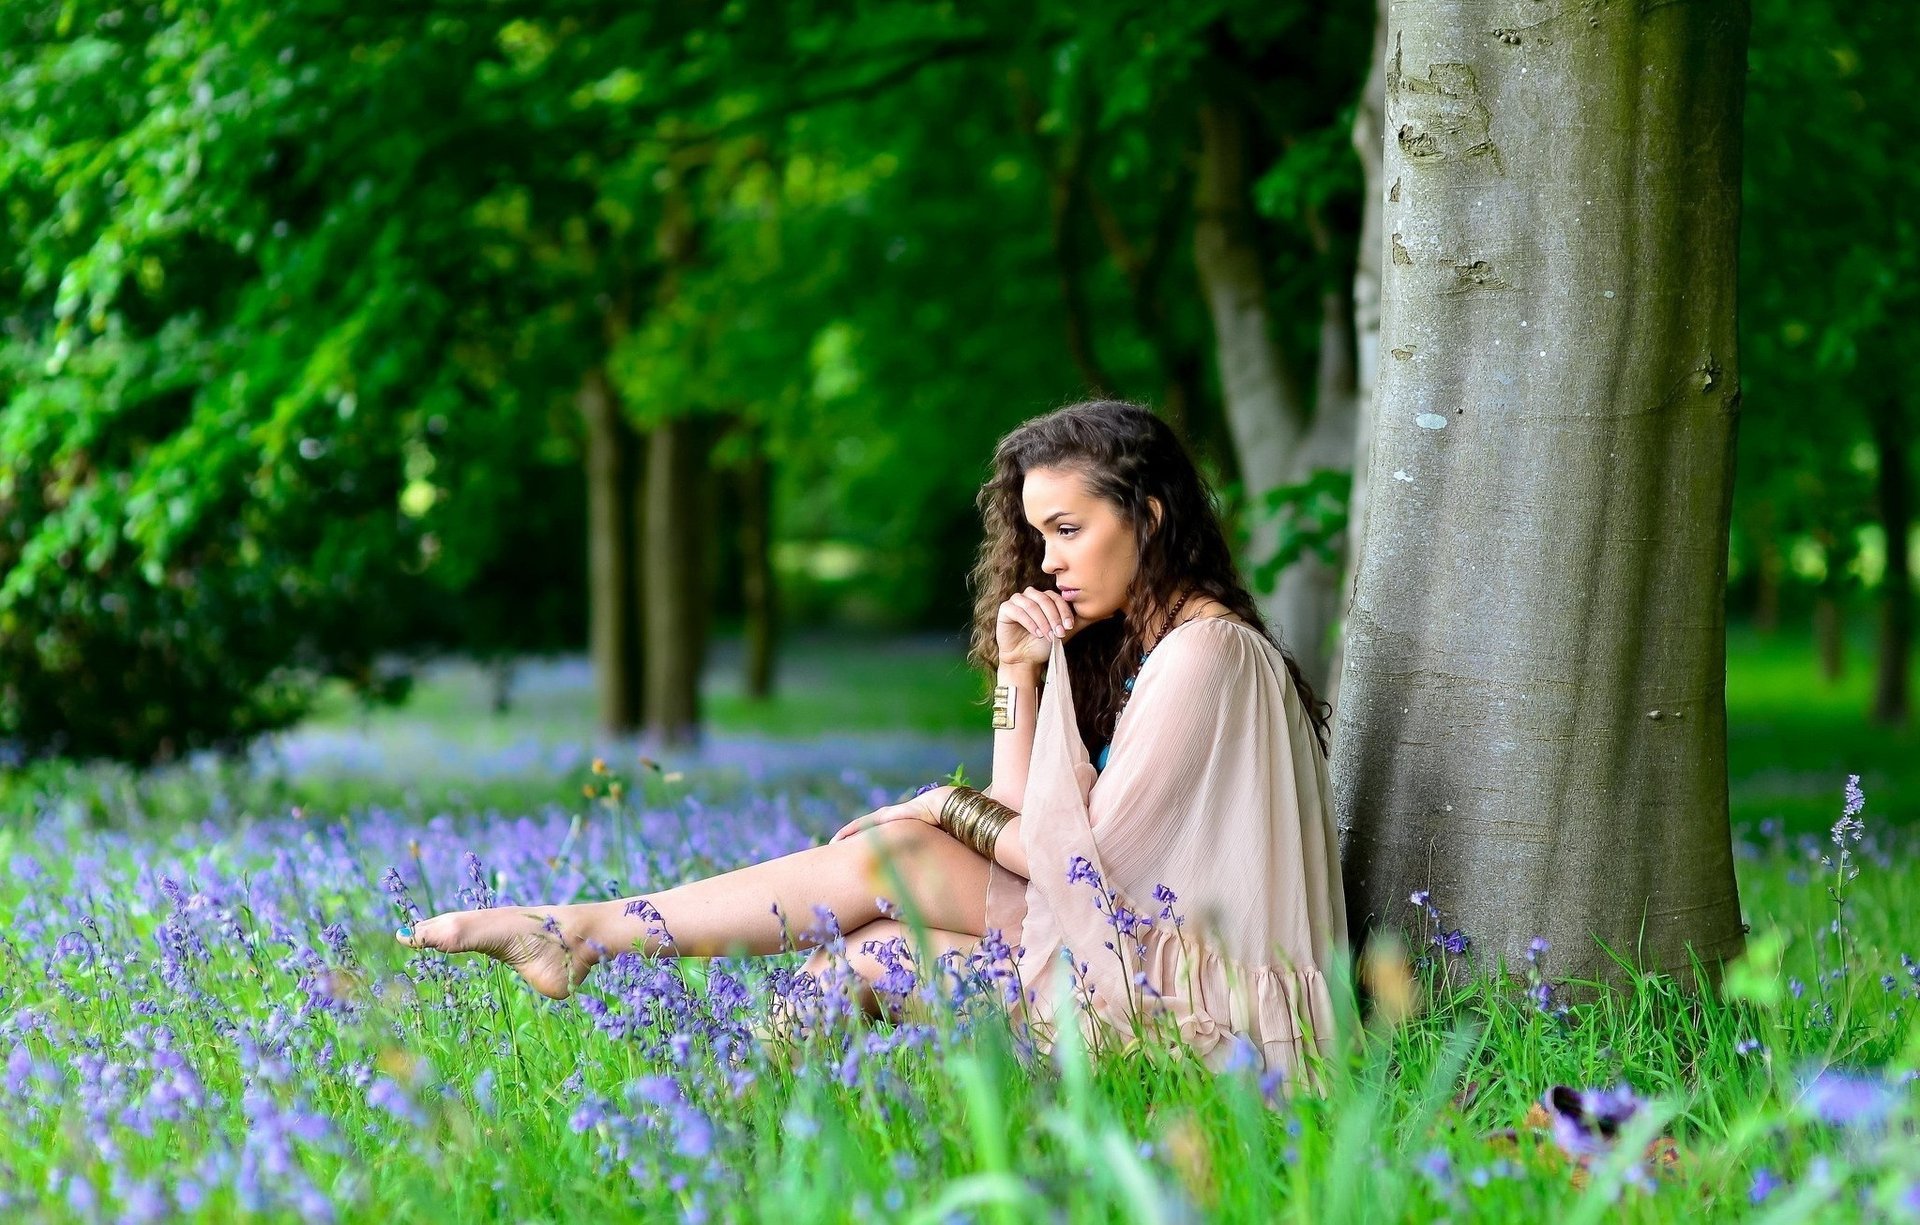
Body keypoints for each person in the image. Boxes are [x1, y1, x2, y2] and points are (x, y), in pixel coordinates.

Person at [397, 400, 1348, 1076]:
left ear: (1149, 514)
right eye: (1037, 535)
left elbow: (1076, 867)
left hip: (1210, 1016)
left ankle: (593, 935)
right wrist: (1017, 678)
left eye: (1068, 529)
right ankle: (726, 1109)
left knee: (896, 855)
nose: (1049, 560)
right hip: (1136, 956)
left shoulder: (1205, 656)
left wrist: (937, 802)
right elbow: (1026, 823)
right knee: (867, 948)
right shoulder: (1151, 649)